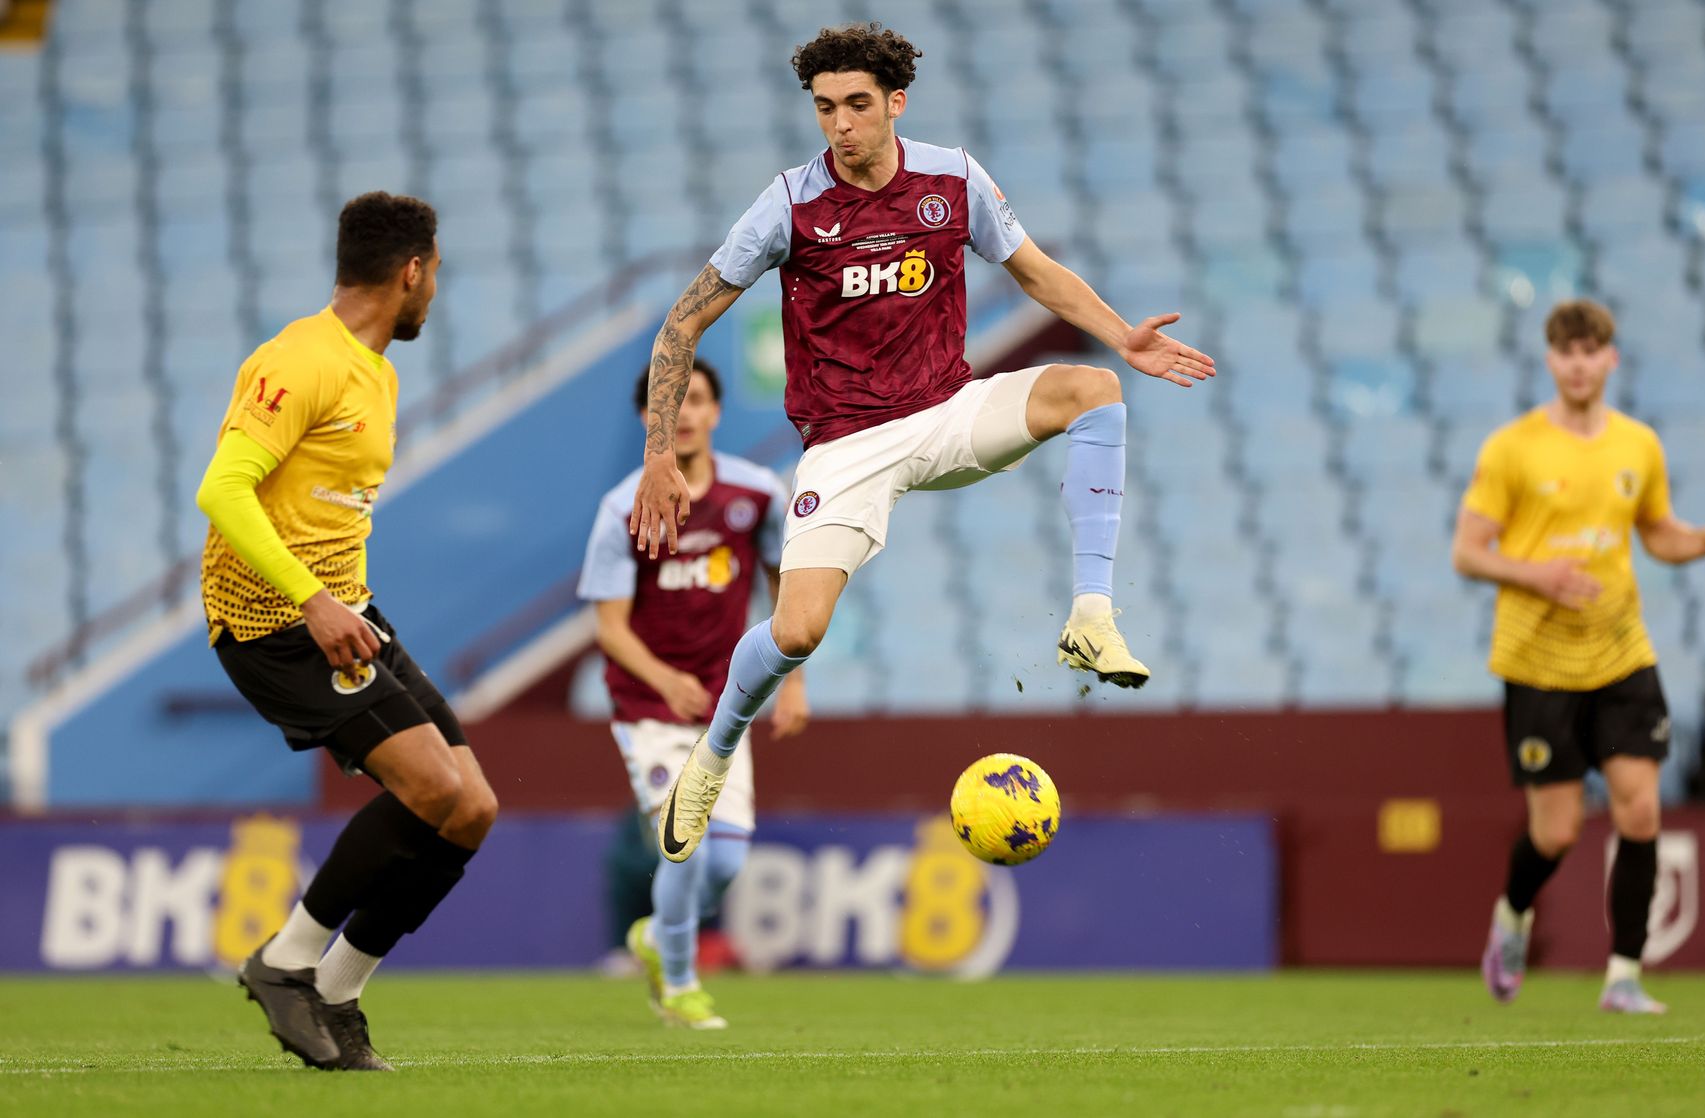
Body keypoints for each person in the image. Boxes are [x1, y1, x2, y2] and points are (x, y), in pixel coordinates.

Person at [629, 23, 1214, 863]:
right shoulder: (789, 204)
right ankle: (715, 752)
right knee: (796, 634)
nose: (840, 126)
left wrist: (1122, 335)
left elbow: (1035, 270)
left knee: (1095, 390)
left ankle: (1090, 615)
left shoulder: (953, 179)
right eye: (825, 108)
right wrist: (658, 454)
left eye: (858, 106)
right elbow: (682, 320)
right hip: (845, 445)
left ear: (895, 103)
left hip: (947, 413)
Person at [195, 192, 497, 1069]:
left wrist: (339, 602)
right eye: (434, 274)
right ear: (411, 271)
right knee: (431, 792)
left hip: (349, 614)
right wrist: (311, 601)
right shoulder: (299, 360)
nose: (434, 292)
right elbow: (223, 489)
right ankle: (284, 962)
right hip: (272, 622)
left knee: (473, 808)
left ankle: (338, 990)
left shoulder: (378, 370)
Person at [1453, 298, 1705, 1014]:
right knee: (1555, 832)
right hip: (1538, 663)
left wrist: (1702, 540)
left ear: (1611, 360)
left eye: (1591, 352)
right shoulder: (1512, 448)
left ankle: (1624, 976)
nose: (1579, 364)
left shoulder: (1637, 445)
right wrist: (1538, 574)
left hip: (1620, 653)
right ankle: (1511, 917)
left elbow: (1657, 532)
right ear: (1551, 361)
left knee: (1640, 811)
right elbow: (1467, 551)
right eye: (1566, 352)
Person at [577, 358, 807, 1028]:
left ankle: (654, 935)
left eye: (694, 398)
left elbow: (788, 593)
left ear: (715, 411)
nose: (679, 411)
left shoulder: (755, 494)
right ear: (645, 419)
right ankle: (678, 984)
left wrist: (791, 685)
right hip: (649, 709)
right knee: (687, 845)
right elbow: (610, 631)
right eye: (664, 400)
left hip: (723, 711)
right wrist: (664, 679)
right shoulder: (622, 509)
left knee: (727, 863)